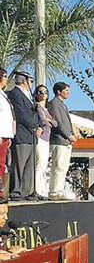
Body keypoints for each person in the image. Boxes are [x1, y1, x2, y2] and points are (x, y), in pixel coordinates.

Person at [7, 71, 41, 201]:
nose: (32, 83)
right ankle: (16, 191)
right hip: (22, 134)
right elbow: (21, 114)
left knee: (29, 166)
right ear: (24, 81)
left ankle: (27, 191)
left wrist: (39, 126)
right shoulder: (15, 94)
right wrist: (34, 126)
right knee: (19, 164)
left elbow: (35, 114)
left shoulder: (29, 96)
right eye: (31, 81)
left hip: (31, 136)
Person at [48, 82, 76, 201]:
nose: (68, 93)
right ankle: (54, 191)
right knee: (58, 166)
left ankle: (59, 190)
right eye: (66, 91)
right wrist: (68, 135)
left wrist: (72, 134)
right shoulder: (54, 103)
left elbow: (67, 122)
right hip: (59, 140)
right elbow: (58, 122)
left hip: (66, 141)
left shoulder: (63, 105)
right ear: (59, 91)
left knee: (63, 167)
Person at [33, 85, 56, 200]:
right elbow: (43, 120)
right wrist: (49, 121)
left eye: (45, 92)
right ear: (36, 94)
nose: (43, 94)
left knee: (43, 165)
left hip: (47, 139)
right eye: (40, 92)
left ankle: (41, 189)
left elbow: (55, 123)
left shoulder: (47, 109)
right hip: (40, 138)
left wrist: (50, 121)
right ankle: (36, 189)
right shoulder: (38, 107)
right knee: (40, 164)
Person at [0, 68, 15, 201]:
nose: (6, 78)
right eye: (4, 76)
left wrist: (9, 135)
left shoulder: (3, 95)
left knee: (2, 164)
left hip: (5, 134)